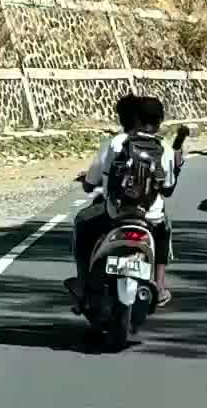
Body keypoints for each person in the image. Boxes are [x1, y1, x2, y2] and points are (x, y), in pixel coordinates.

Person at [68, 92, 181, 311]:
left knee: (82, 222)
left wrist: (90, 184)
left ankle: (82, 283)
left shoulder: (116, 143)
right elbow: (167, 190)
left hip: (115, 214)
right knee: (164, 229)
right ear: (159, 122)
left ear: (136, 118)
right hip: (150, 217)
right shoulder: (165, 148)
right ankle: (159, 285)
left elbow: (92, 180)